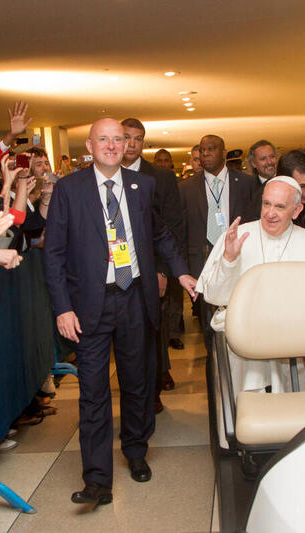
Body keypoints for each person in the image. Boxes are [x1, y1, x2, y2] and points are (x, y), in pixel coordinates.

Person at [43, 118, 197, 505]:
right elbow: (54, 253)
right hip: (89, 305)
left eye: (119, 139)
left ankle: (135, 450)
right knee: (92, 393)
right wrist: (62, 307)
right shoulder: (69, 189)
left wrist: (180, 272)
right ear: (90, 146)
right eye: (104, 139)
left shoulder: (141, 185)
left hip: (135, 297)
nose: (112, 145)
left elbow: (159, 233)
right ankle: (97, 480)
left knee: (137, 382)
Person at [198, 177, 305, 401]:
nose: (270, 213)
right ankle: (251, 422)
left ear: (297, 210)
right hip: (248, 332)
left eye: (280, 206)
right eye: (266, 204)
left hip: (303, 333)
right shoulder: (236, 237)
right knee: (245, 355)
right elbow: (213, 296)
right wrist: (229, 259)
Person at [121, 117, 186, 410]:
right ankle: (134, 391)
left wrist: (162, 270)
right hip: (116, 269)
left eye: (137, 138)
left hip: (151, 267)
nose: (131, 144)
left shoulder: (160, 177)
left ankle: (155, 385)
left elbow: (171, 226)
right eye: (126, 137)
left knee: (152, 327)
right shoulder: (102, 175)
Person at [179, 134, 257, 356]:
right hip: (202, 264)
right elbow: (181, 231)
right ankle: (216, 367)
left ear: (224, 152)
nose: (205, 154)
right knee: (208, 326)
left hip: (240, 261)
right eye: (202, 150)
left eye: (211, 149)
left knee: (241, 316)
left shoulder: (246, 183)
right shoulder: (185, 188)